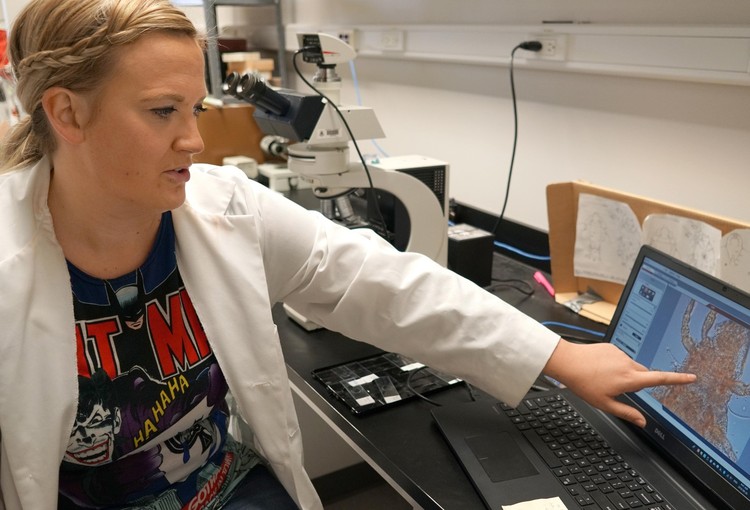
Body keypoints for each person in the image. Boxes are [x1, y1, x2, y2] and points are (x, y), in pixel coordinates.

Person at [0, 0, 696, 508]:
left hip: (228, 487)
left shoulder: (224, 207)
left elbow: (378, 281)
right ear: (67, 114)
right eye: (162, 112)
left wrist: (560, 356)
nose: (194, 142)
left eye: (196, 111)